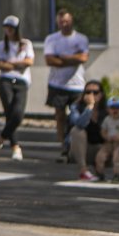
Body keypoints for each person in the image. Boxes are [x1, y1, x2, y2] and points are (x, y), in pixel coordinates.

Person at [44, 12, 92, 161]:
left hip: (77, 85)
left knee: (75, 117)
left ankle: (72, 145)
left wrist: (63, 58)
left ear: (71, 21)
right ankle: (63, 146)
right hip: (57, 83)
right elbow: (50, 60)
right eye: (61, 22)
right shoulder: (52, 39)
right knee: (60, 116)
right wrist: (72, 58)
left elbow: (83, 58)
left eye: (66, 21)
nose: (64, 24)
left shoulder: (80, 38)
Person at [0, 16, 34, 161]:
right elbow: (0, 65)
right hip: (6, 81)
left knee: (17, 114)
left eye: (11, 27)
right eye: (6, 27)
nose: (8, 30)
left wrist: (10, 63)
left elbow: (29, 62)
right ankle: (16, 147)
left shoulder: (26, 44)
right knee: (10, 112)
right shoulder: (1, 45)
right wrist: (17, 64)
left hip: (21, 81)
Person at [68, 83, 107, 181]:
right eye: (88, 92)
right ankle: (83, 170)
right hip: (83, 149)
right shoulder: (76, 107)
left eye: (95, 92)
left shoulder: (107, 109)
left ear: (101, 94)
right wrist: (90, 107)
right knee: (77, 131)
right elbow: (80, 124)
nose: (92, 95)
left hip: (103, 148)